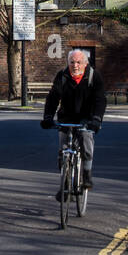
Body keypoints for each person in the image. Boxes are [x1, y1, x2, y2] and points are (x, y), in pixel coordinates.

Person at [40, 49, 106, 194]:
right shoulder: (62, 76)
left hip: (86, 117)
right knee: (63, 150)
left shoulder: (94, 76)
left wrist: (96, 119)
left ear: (85, 63)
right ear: (67, 63)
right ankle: (65, 184)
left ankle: (87, 174)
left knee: (86, 141)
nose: (75, 65)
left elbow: (100, 99)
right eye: (72, 62)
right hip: (66, 117)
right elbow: (53, 98)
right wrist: (48, 117)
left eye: (78, 62)